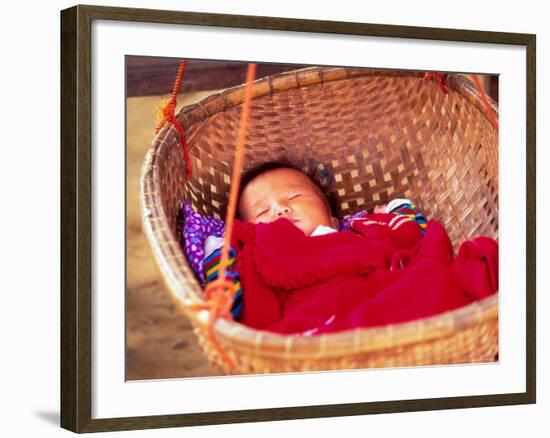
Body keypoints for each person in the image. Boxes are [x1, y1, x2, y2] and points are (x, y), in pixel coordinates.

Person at [203, 161, 497, 334]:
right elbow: (233, 298)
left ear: (333, 219)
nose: (280, 209)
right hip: (321, 326)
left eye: (295, 196)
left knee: (443, 275)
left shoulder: (361, 231)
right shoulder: (256, 257)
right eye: (262, 212)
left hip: (393, 299)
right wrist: (219, 252)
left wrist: (393, 212)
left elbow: (413, 233)